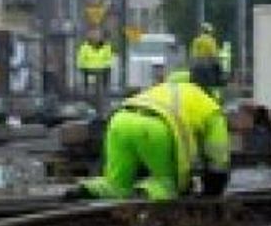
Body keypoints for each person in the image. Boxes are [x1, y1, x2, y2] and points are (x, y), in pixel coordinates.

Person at [71, 68, 231, 201]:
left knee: (117, 184)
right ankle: (143, 195)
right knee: (166, 184)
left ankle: (87, 189)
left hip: (120, 120)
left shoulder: (162, 88)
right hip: (154, 128)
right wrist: (214, 185)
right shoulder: (210, 106)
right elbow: (217, 152)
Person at [76, 28, 115, 99]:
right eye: (93, 35)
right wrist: (84, 66)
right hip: (88, 69)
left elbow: (109, 58)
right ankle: (87, 94)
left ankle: (105, 94)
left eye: (97, 35)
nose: (95, 37)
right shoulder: (85, 47)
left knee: (105, 77)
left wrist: (105, 66)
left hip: (102, 70)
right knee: (88, 80)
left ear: (101, 37)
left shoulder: (106, 47)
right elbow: (81, 59)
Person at [189, 22, 222, 89]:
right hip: (208, 68)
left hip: (197, 68)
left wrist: (192, 68)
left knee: (196, 87)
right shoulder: (211, 41)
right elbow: (214, 55)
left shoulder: (196, 41)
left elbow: (193, 55)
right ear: (209, 31)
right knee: (210, 88)